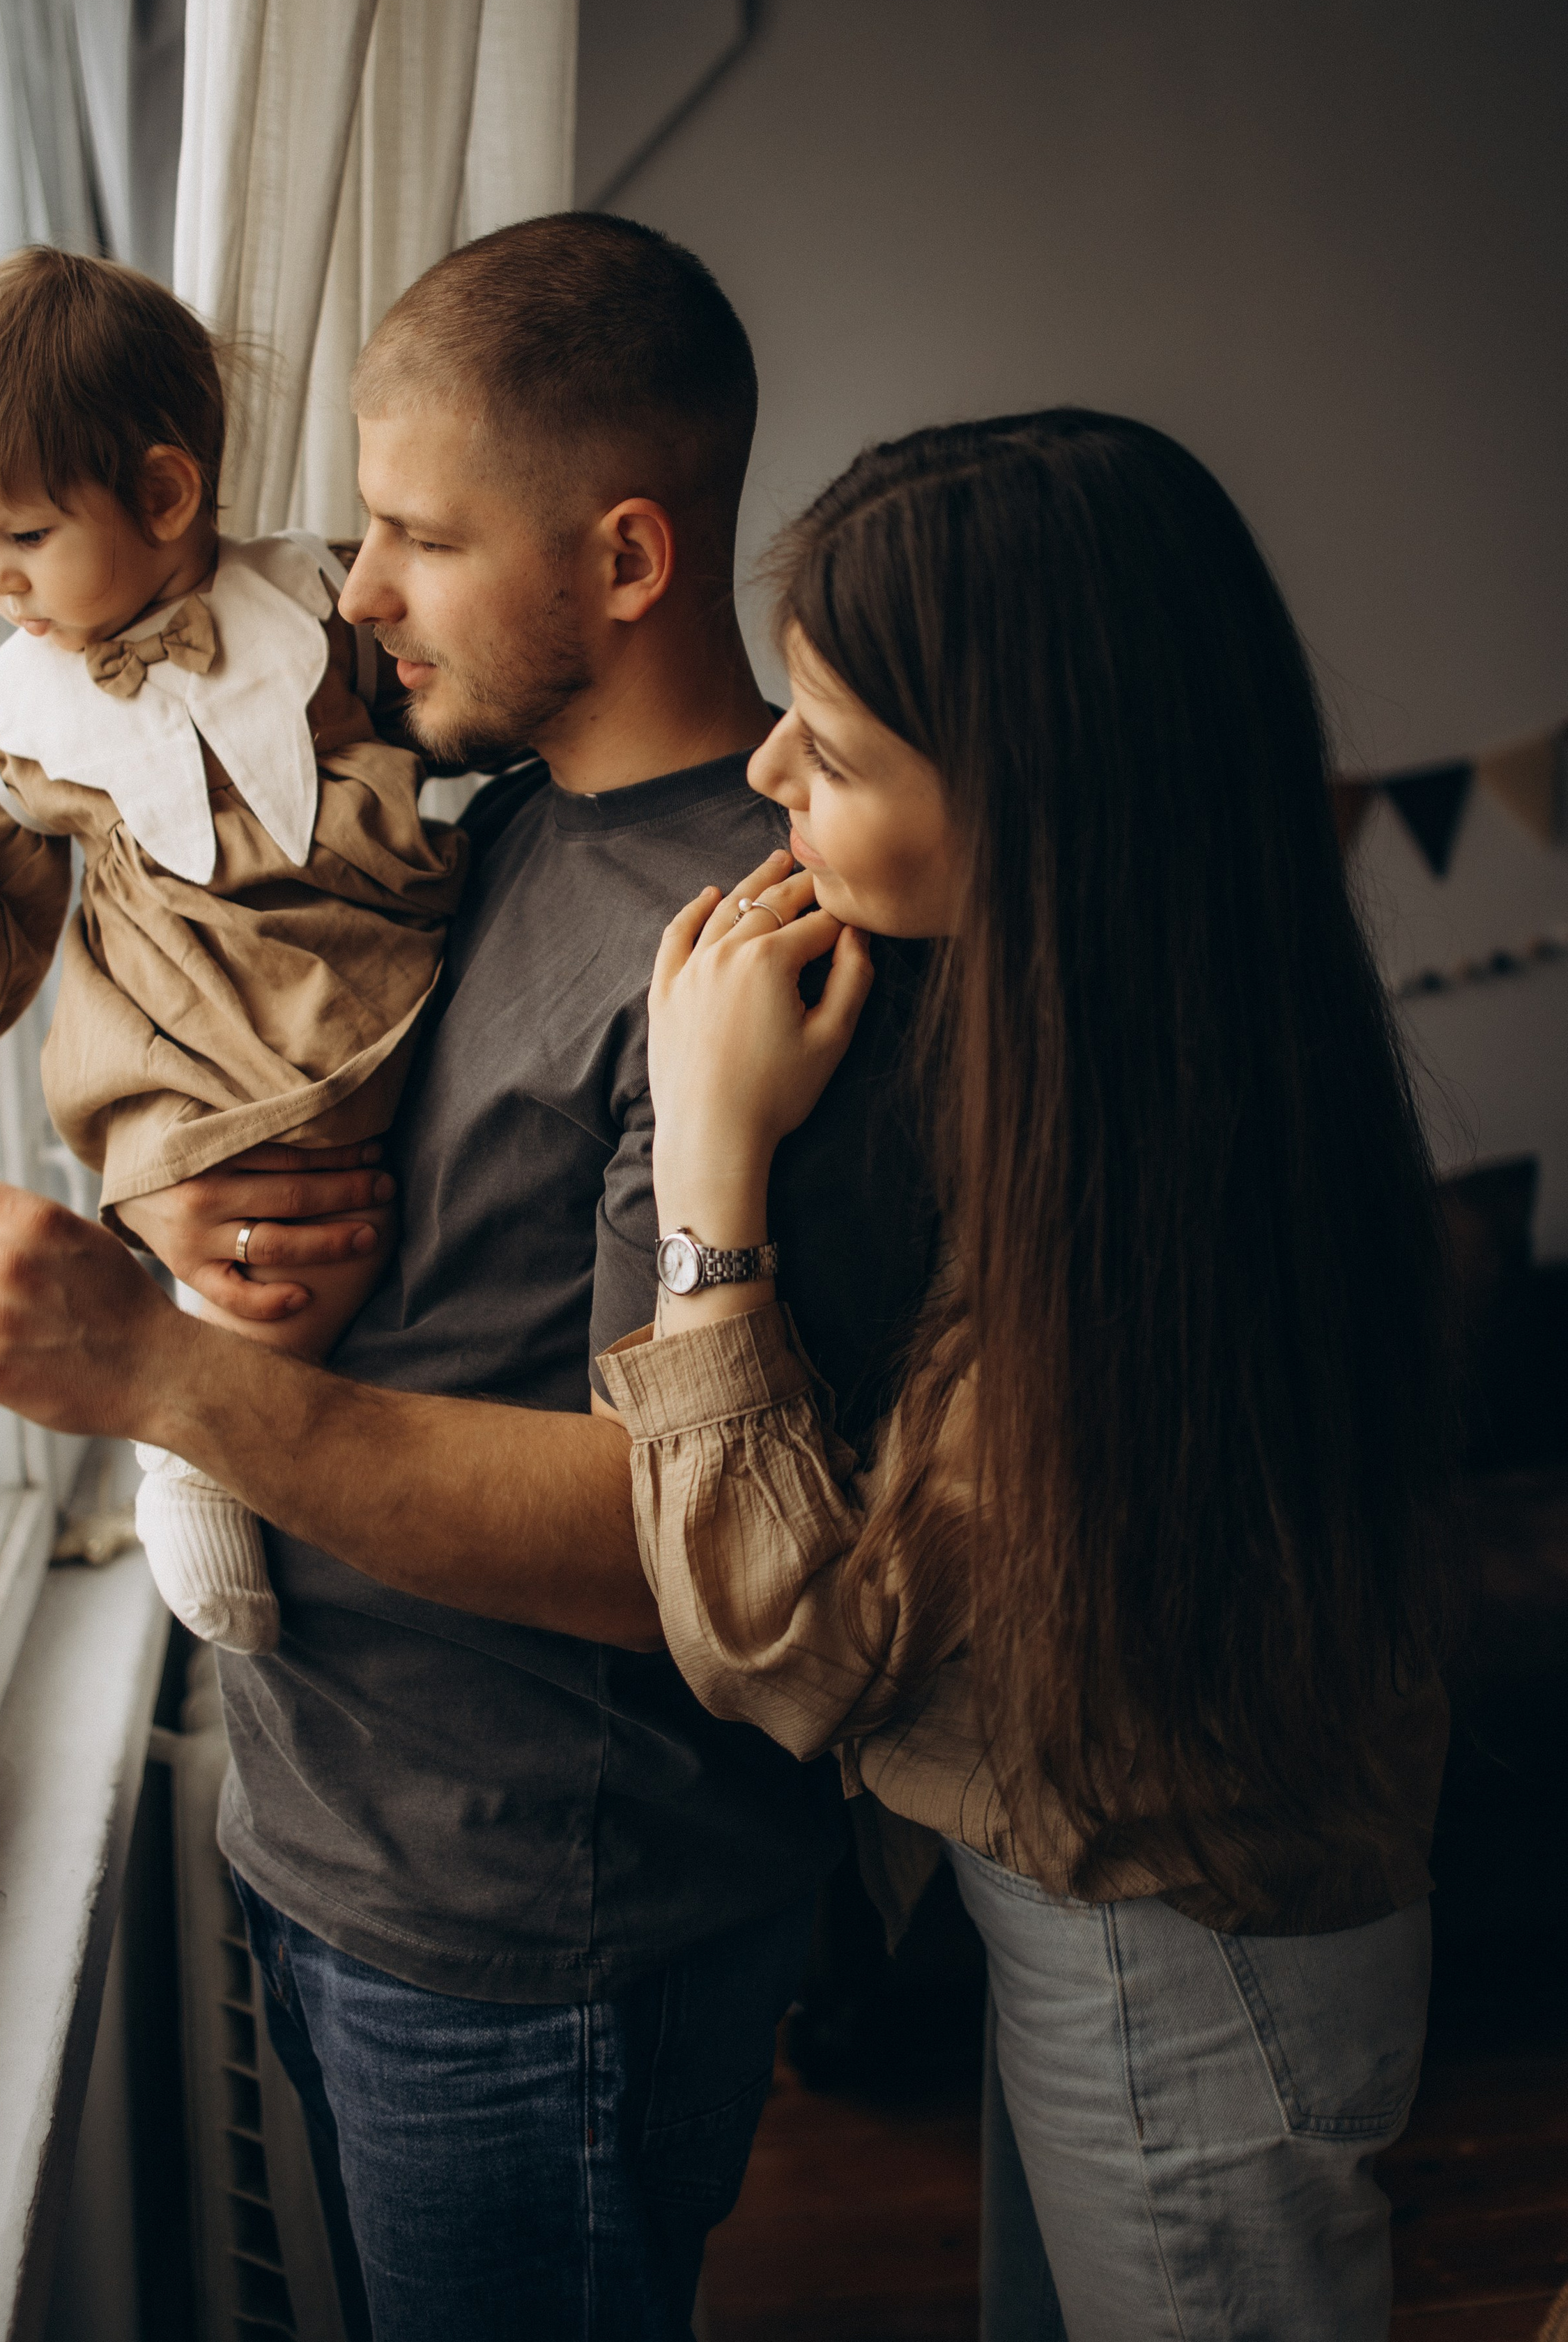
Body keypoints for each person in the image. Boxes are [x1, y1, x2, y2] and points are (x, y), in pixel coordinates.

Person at [0, 214, 935, 2342]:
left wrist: (151, 1377)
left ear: (626, 562)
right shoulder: (472, 824)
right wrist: (174, 1225)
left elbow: (685, 1542)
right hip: (343, 1842)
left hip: (540, 1929)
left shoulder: (762, 947)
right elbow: (277, 1078)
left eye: (412, 537)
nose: (349, 590)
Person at [597, 412, 1456, 2339]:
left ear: (1028, 798)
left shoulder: (1160, 1179)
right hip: (1143, 1915)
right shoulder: (1163, 1039)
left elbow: (792, 1649)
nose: (759, 772)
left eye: (827, 748)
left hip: (1188, 1956)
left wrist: (707, 1168)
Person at [0, 248, 466, 1654]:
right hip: (183, 998)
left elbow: (456, 713)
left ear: (161, 495)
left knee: (340, 1200)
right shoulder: (22, 711)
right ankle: (187, 1451)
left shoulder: (321, 603)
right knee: (253, 1198)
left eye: (20, 535)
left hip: (348, 943)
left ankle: (231, 1414)